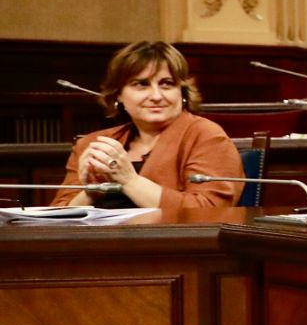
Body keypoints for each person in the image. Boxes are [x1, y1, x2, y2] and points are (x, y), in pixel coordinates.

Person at [52, 42, 241, 211]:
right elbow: (55, 216)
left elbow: (209, 211)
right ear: (118, 95)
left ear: (182, 92)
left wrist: (129, 181)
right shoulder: (92, 144)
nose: (156, 96)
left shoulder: (206, 136)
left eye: (167, 84)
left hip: (169, 247)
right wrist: (92, 191)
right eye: (141, 84)